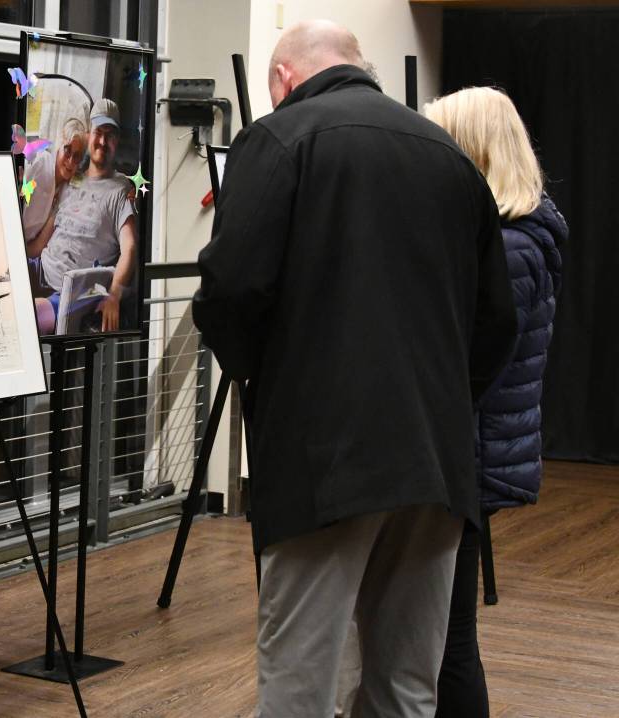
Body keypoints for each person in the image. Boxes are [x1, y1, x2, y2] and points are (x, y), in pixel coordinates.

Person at [192, 20, 517, 717]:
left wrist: (265, 384)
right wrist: (443, 406)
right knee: (407, 690)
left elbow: (228, 292)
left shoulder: (278, 140)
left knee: (299, 690)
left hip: (323, 465)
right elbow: (497, 325)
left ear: (282, 79)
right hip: (437, 466)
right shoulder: (450, 158)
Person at [424, 87, 566, 718]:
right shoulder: (514, 234)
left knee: (450, 643)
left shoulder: (509, 247)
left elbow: (471, 360)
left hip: (467, 458)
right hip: (471, 454)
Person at [27, 98, 138, 333]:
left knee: (24, 317)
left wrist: (114, 296)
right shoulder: (71, 181)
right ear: (89, 136)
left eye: (110, 135)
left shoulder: (120, 190)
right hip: (40, 269)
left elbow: (129, 248)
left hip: (71, 293)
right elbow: (46, 236)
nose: (103, 141)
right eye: (99, 132)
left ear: (116, 141)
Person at [22, 116, 88, 242]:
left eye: (77, 156)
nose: (70, 161)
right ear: (59, 145)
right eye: (67, 150)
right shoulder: (40, 162)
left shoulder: (66, 188)